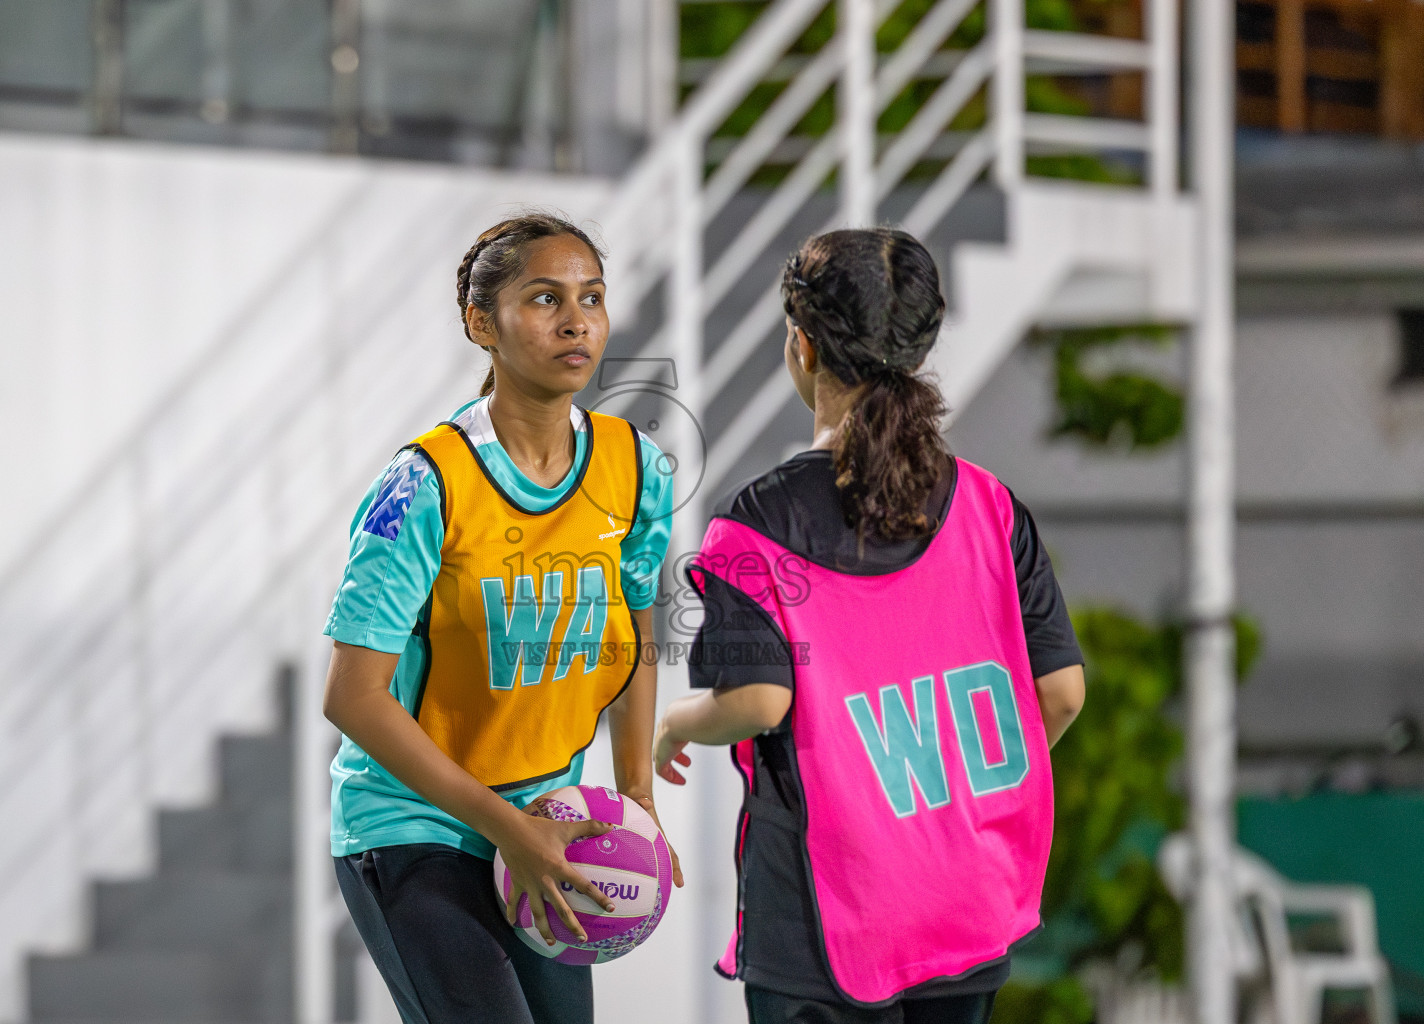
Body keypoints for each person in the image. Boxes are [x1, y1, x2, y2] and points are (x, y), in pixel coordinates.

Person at [653, 228, 1087, 1024]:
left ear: (802, 347)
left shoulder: (755, 524)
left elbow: (756, 703)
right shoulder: (989, 507)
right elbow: (1058, 694)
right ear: (920, 351)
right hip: (963, 906)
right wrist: (937, 788)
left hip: (822, 924)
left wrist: (675, 726)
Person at [322, 212, 679, 1024]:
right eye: (545, 298)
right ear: (482, 323)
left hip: (550, 823)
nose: (576, 320)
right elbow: (353, 698)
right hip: (417, 825)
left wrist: (635, 798)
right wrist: (504, 827)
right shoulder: (425, 484)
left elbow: (634, 636)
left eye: (591, 297)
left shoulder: (635, 468)